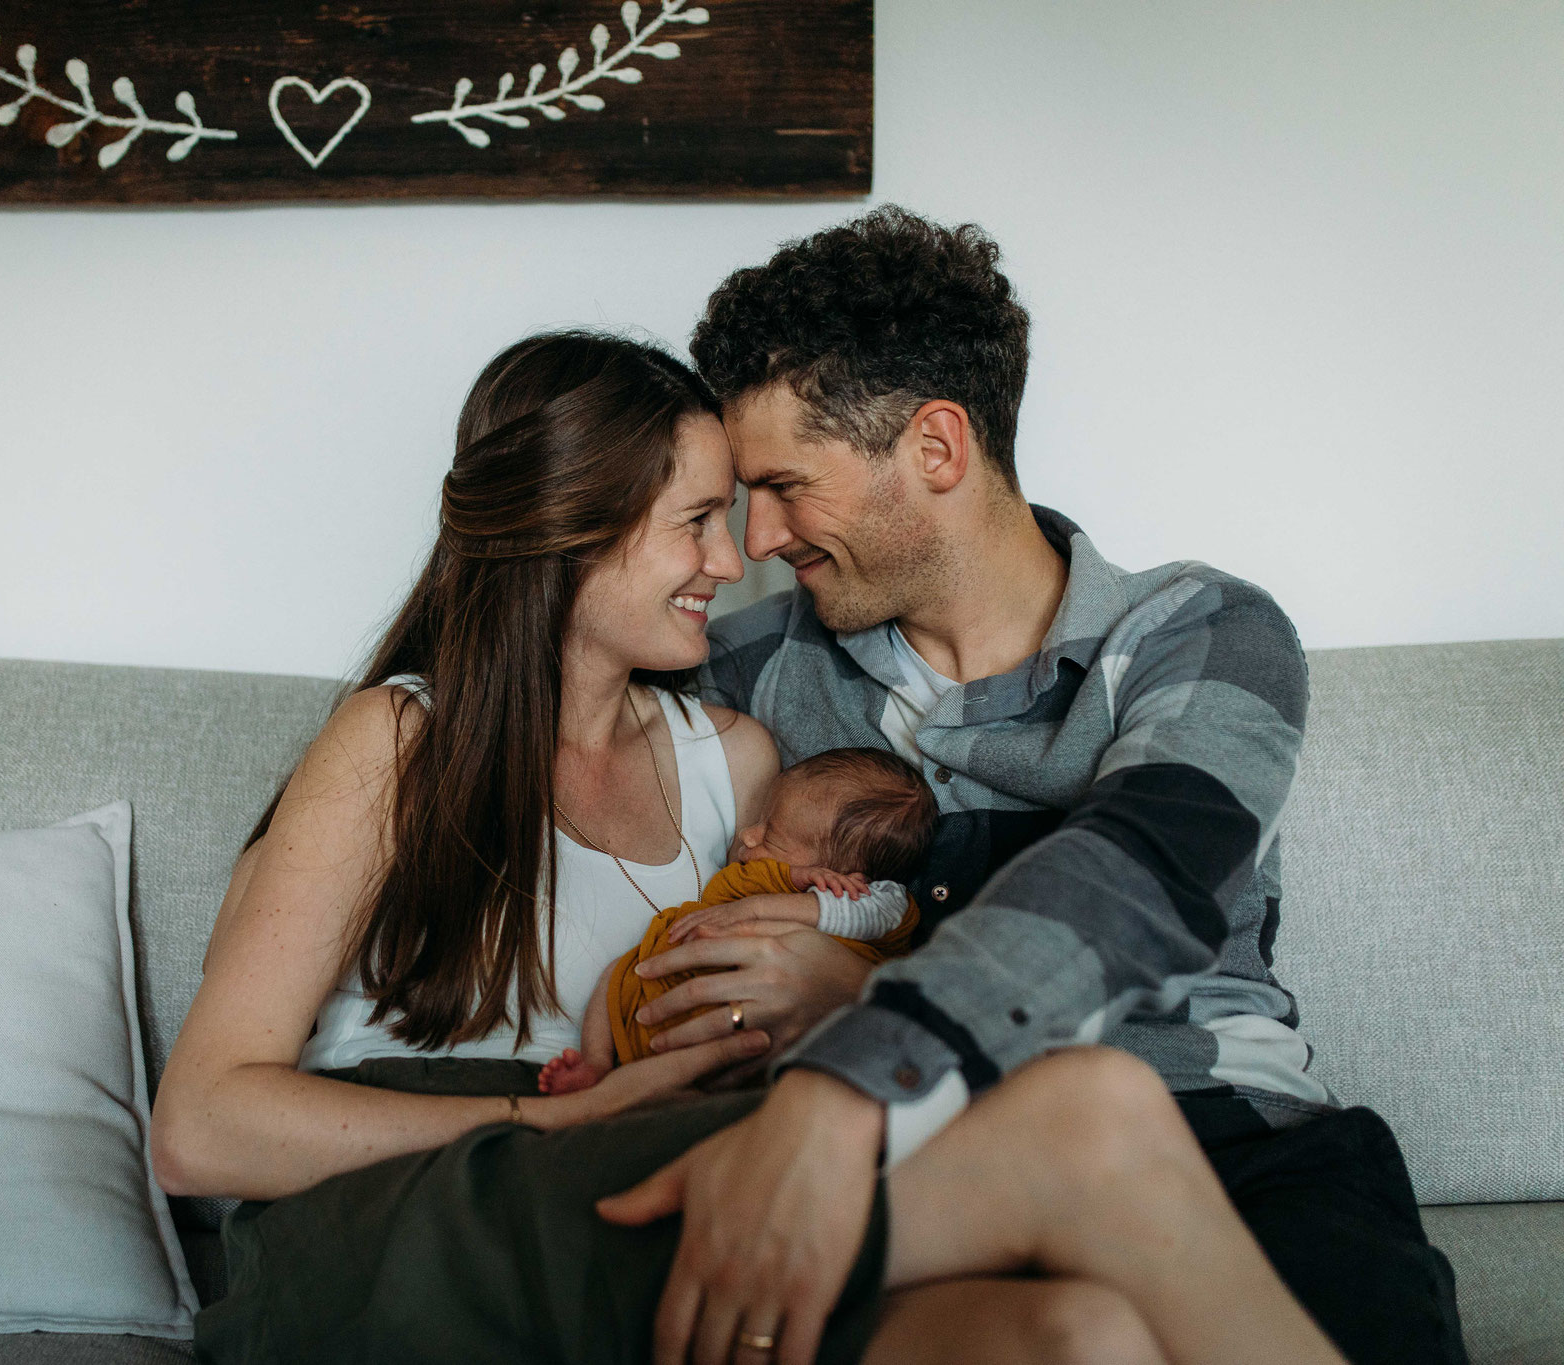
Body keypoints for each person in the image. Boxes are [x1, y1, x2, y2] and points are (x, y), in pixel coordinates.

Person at [153, 328, 1355, 1365]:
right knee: (1088, 1116)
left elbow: (866, 923)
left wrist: (824, 997)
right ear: (567, 527)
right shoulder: (400, 741)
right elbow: (199, 1130)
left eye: (739, 515)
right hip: (415, 1198)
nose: (736, 562)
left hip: (639, 1157)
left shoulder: (732, 756)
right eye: (698, 522)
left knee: (1073, 1335)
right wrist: (553, 1121)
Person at [604, 204, 1465, 1365]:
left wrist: (858, 1025)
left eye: (785, 486)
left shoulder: (1196, 635)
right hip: (937, 1168)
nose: (754, 540)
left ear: (935, 448)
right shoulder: (753, 670)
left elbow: (1134, 883)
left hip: (1227, 1142)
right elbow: (540, 708)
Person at [539, 745, 931, 1096]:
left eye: (770, 834)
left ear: (842, 873)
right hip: (658, 982)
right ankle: (595, 1063)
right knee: (615, 973)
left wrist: (774, 899)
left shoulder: (877, 901)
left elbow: (856, 915)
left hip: (738, 1021)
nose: (748, 834)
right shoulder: (761, 874)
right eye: (760, 820)